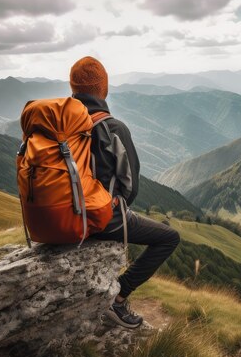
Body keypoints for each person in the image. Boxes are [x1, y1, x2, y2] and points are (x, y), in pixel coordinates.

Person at [69, 56, 180, 329]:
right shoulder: (112, 128)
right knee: (169, 237)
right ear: (103, 88)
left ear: (72, 88)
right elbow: (130, 187)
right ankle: (117, 298)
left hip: (58, 216)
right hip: (97, 219)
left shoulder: (59, 126)